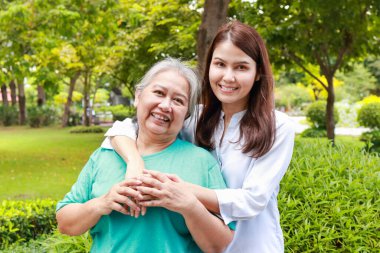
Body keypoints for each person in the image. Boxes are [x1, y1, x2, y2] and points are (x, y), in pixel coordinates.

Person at [103, 20, 295, 253]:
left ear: (257, 73)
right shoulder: (195, 118)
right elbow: (122, 128)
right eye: (220, 64)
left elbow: (252, 201)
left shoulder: (277, 127)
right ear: (209, 66)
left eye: (241, 67)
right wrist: (134, 161)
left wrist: (179, 191)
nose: (228, 77)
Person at [56, 58, 234, 253]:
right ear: (138, 96)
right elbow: (65, 224)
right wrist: (103, 203)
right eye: (159, 92)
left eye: (178, 100)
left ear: (186, 115)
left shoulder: (202, 162)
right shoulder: (104, 155)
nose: (166, 105)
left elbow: (223, 246)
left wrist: (190, 206)